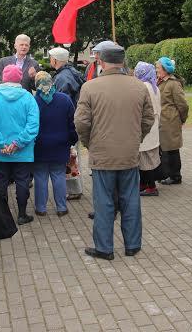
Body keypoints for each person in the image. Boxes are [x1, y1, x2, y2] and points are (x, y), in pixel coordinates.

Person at [75, 43, 154, 260]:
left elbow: (81, 122)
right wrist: (136, 139)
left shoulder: (90, 87)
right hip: (129, 153)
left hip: (102, 155)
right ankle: (132, 245)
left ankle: (104, 247)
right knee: (131, 200)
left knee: (104, 202)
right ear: (122, 62)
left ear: (101, 62)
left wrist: (89, 143)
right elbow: (148, 119)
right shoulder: (139, 86)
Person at [0, 64, 39, 225]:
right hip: (23, 151)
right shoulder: (28, 98)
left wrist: (1, 143)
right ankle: (22, 214)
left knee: (0, 183)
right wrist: (17, 143)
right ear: (20, 78)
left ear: (3, 78)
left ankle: (3, 216)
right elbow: (33, 125)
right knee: (23, 182)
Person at [32, 71, 77, 217]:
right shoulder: (64, 100)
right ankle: (61, 207)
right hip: (60, 144)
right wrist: (72, 140)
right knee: (58, 175)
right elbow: (72, 124)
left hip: (39, 146)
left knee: (40, 176)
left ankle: (41, 208)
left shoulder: (33, 101)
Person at [48, 46, 85, 200]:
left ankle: (74, 189)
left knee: (71, 155)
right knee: (73, 154)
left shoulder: (63, 77)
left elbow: (62, 102)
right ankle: (75, 187)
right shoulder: (71, 72)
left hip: (69, 120)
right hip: (75, 118)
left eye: (50, 57)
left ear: (55, 60)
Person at [156, 57, 189, 185]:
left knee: (172, 149)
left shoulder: (173, 84)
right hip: (162, 121)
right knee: (164, 149)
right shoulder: (160, 82)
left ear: (165, 69)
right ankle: (166, 174)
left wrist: (182, 119)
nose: (156, 70)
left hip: (170, 121)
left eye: (158, 68)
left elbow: (183, 105)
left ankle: (175, 176)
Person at [134, 62, 162, 196]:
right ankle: (144, 184)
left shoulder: (143, 87)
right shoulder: (154, 86)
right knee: (147, 158)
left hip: (145, 127)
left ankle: (151, 187)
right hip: (153, 127)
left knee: (145, 160)